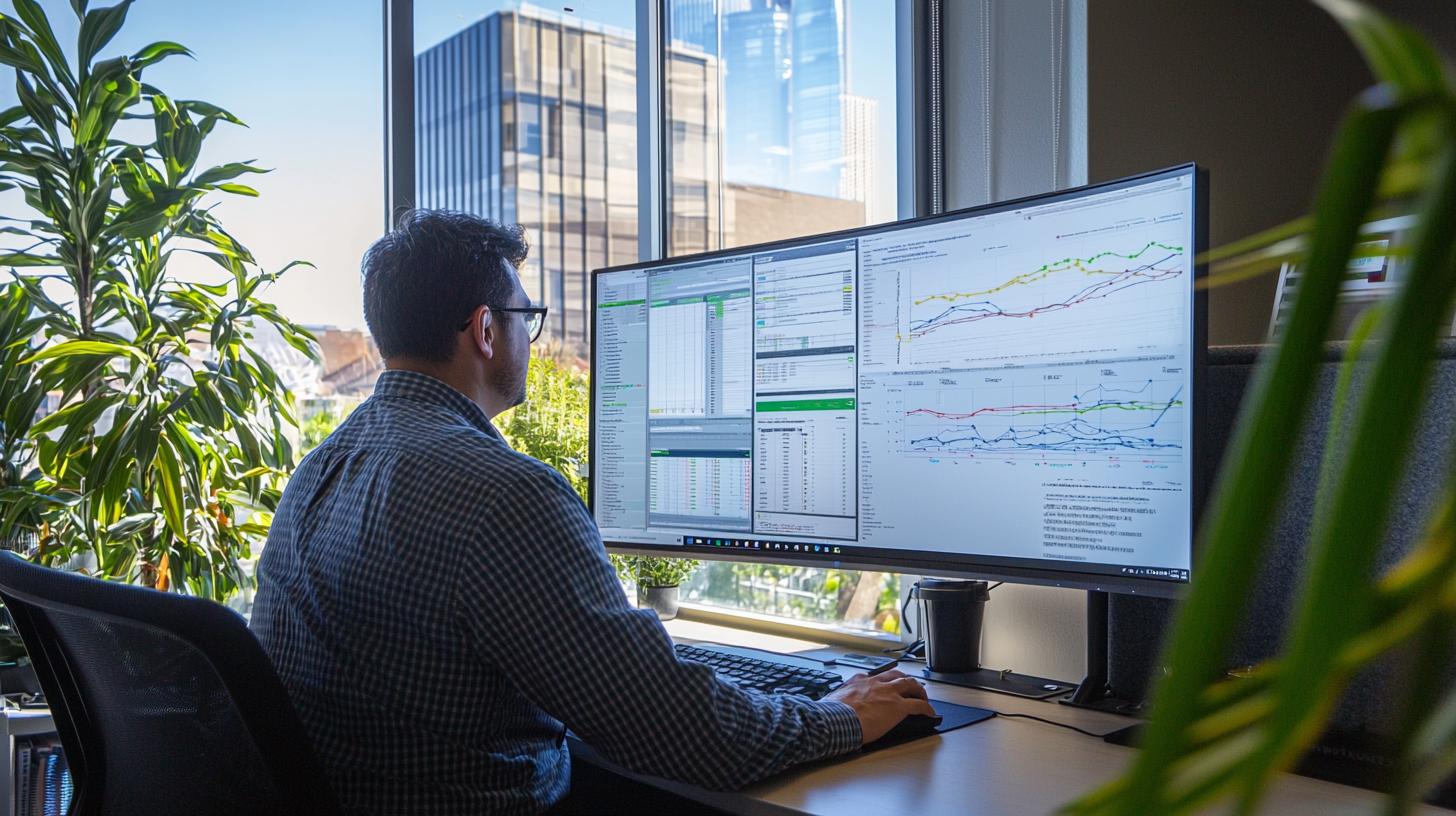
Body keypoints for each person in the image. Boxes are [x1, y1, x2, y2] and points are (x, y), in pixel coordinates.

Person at [251, 209, 934, 816]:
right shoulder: (504, 496)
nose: (532, 338)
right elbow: (678, 730)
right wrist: (840, 716)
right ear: (486, 331)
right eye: (526, 318)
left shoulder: (320, 468)